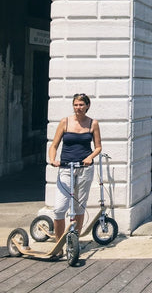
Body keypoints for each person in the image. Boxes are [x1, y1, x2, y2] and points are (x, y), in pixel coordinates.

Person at [48, 93, 102, 242]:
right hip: (66, 167)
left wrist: (90, 157)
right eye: (76, 105)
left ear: (87, 106)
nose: (78, 108)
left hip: (84, 169)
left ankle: (74, 241)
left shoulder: (93, 123)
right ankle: (59, 243)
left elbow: (98, 147)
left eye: (81, 105)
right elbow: (54, 145)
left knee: (79, 206)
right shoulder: (65, 122)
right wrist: (53, 159)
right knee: (59, 208)